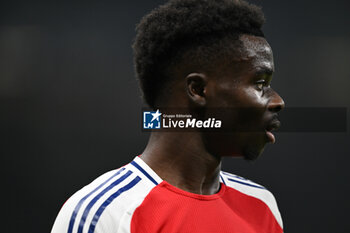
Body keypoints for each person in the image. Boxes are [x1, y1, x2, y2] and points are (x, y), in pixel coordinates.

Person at [51, 0, 285, 232]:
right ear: (198, 90)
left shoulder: (262, 206)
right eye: (260, 83)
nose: (278, 101)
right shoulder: (103, 215)